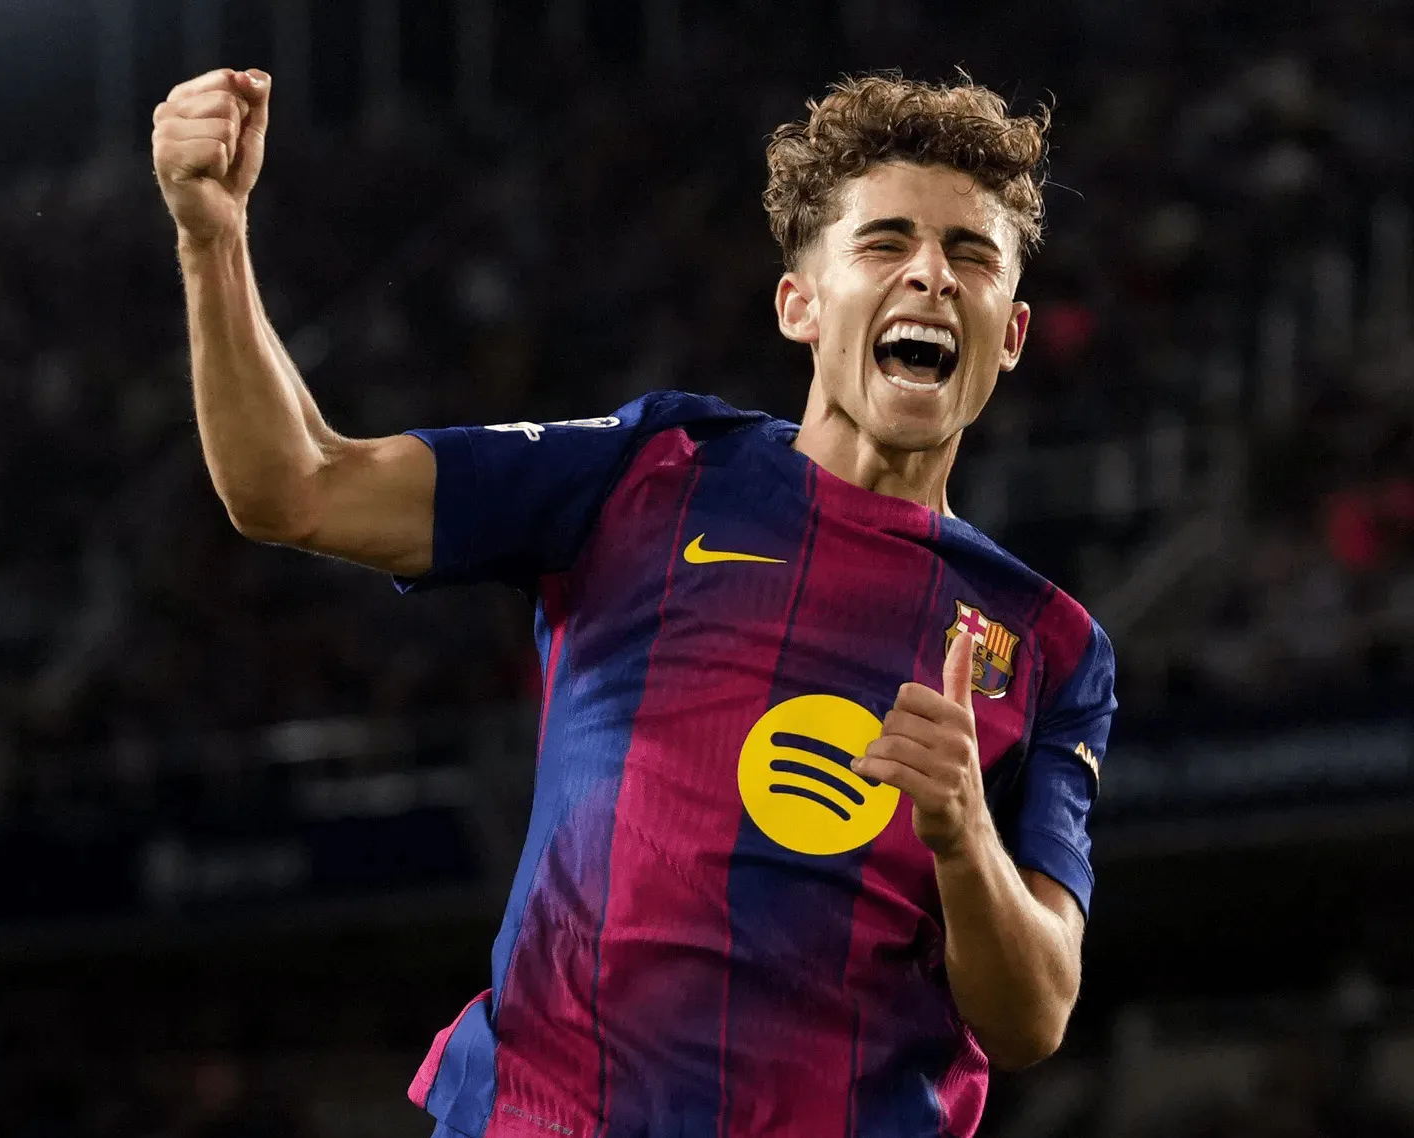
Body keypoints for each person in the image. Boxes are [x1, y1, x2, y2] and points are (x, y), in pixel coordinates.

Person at [152, 65, 1116, 1138]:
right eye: (885, 243)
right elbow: (292, 486)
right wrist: (211, 236)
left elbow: (1034, 1015)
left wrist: (964, 835)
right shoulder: (651, 469)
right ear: (798, 304)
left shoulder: (1051, 644)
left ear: (1010, 333)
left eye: (970, 254)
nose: (931, 274)